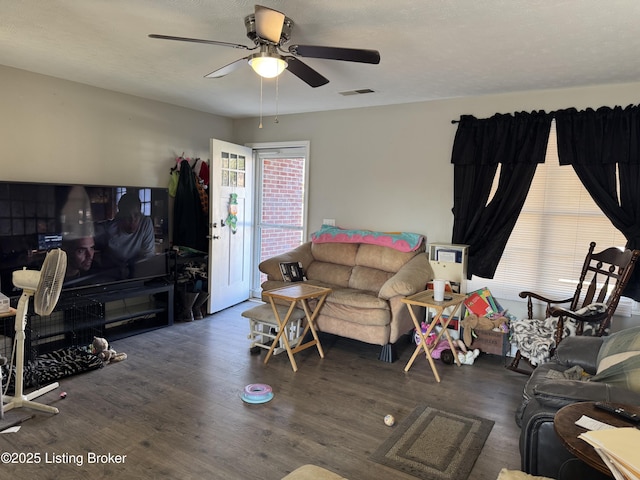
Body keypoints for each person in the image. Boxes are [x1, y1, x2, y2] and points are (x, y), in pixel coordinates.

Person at [96, 193, 155, 270]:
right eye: (127, 216)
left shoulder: (145, 223)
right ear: (120, 216)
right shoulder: (108, 229)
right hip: (111, 275)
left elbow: (148, 257)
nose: (132, 221)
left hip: (137, 273)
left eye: (136, 215)